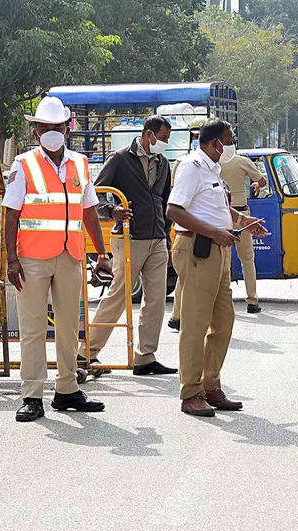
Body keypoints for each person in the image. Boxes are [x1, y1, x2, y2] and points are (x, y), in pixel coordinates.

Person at [2, 95, 114, 422]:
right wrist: (11, 260)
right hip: (31, 259)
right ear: (36, 131)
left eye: (57, 126)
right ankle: (32, 395)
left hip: (70, 256)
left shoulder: (80, 163)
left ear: (68, 128)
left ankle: (66, 389)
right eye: (45, 127)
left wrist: (102, 253)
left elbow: (89, 211)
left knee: (68, 327)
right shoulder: (23, 164)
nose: (52, 132)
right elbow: (11, 214)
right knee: (33, 328)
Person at [165, 119, 270, 417]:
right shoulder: (192, 167)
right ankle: (190, 392)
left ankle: (211, 385)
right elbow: (174, 210)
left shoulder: (213, 169)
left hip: (219, 251)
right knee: (195, 325)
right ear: (215, 144)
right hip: (198, 250)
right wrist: (213, 232)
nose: (232, 145)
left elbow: (218, 207)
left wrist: (242, 221)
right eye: (229, 140)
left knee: (224, 322)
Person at [82, 115, 177, 375]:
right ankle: (87, 353)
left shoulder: (163, 163)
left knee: (156, 300)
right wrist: (111, 210)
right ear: (149, 134)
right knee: (118, 297)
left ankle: (145, 356)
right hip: (128, 237)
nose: (165, 143)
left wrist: (166, 236)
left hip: (157, 237)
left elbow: (165, 201)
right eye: (164, 138)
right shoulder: (120, 159)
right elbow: (95, 195)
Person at [219, 144, 269, 313]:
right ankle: (252, 301)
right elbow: (262, 181)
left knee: (222, 260)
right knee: (247, 259)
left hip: (221, 216)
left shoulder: (213, 162)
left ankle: (222, 301)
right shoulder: (242, 161)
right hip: (242, 216)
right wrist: (255, 184)